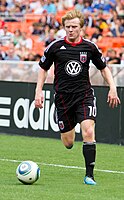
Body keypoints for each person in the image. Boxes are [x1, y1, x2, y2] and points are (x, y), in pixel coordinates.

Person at [34, 9, 121, 185]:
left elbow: (104, 68)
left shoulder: (89, 47)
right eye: (68, 27)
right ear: (64, 28)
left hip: (84, 96)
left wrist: (113, 87)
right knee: (68, 143)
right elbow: (43, 68)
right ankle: (69, 128)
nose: (71, 30)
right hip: (63, 99)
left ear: (81, 27)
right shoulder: (55, 47)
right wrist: (38, 91)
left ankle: (89, 175)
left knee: (88, 131)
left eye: (74, 27)